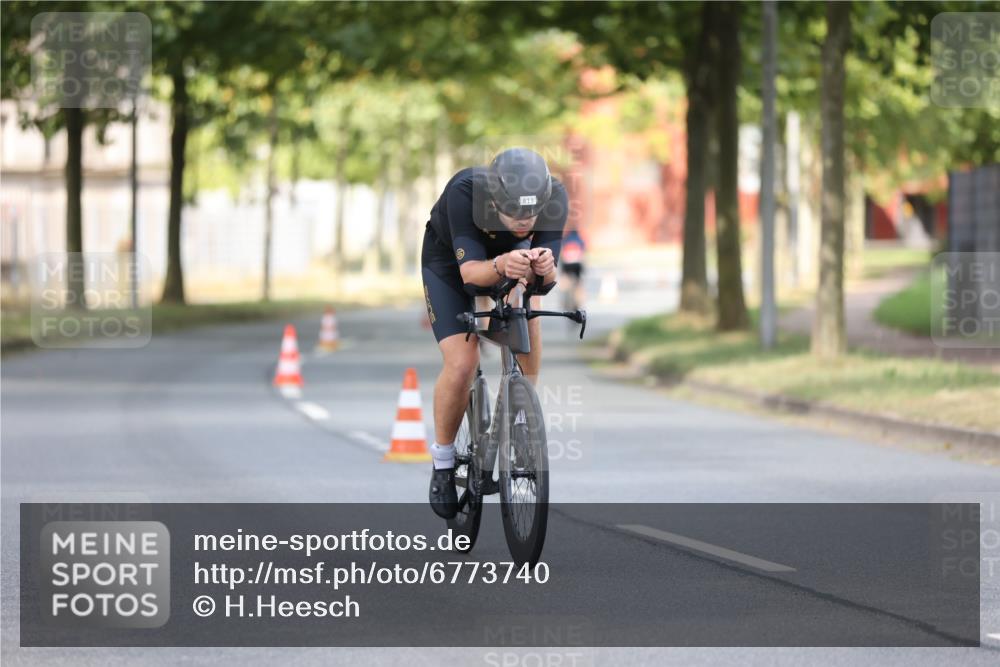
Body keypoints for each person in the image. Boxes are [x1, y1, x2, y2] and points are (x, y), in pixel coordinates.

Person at [421, 147, 568, 519]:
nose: (524, 221)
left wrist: (546, 267)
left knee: (527, 314)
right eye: (515, 213)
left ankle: (520, 413)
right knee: (463, 361)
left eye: (531, 213)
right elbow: (471, 275)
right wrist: (502, 263)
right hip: (451, 265)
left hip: (511, 260)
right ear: (495, 201)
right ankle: (442, 461)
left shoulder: (556, 195)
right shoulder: (466, 192)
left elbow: (547, 280)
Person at [559, 227, 586, 311]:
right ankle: (579, 302)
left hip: (567, 264)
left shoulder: (565, 239)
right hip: (577, 264)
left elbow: (562, 252)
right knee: (578, 283)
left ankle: (564, 301)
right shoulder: (580, 239)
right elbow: (583, 251)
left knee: (565, 282)